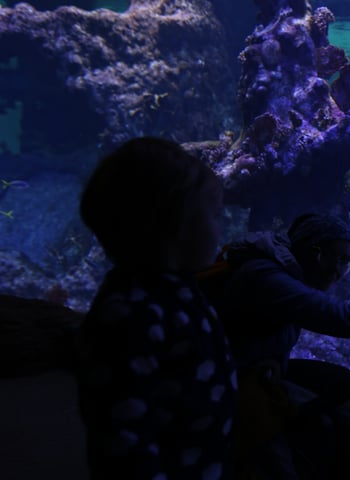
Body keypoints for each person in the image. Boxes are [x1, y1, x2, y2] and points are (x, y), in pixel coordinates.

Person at [206, 211, 350, 477]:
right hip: (227, 382)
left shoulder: (281, 269)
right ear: (312, 250)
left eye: (346, 262)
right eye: (334, 257)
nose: (338, 271)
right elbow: (348, 321)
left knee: (339, 382)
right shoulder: (267, 276)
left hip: (257, 368)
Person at [76, 137, 238, 479]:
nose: (221, 227)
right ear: (174, 224)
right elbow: (123, 444)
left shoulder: (176, 288)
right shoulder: (129, 314)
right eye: (214, 213)